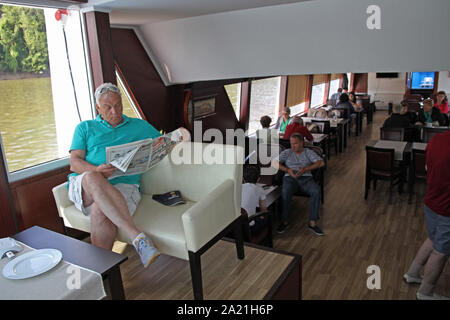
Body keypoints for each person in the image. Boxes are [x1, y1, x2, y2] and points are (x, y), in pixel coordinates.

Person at [67, 82, 188, 268]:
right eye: (108, 107)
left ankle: (101, 272)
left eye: (118, 105)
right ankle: (137, 237)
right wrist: (96, 170)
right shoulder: (84, 128)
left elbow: (166, 142)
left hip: (123, 186)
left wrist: (182, 134)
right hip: (84, 186)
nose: (115, 111)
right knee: (93, 177)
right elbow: (74, 163)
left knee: (101, 211)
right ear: (98, 107)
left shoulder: (139, 126)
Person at [403, 130, 450, 300]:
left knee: (432, 238)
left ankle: (413, 273)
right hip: (447, 208)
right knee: (440, 252)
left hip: (431, 200)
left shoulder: (437, 139)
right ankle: (426, 292)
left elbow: (426, 167)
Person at [271, 133, 325, 236]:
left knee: (316, 191)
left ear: (302, 143)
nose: (293, 146)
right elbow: (274, 163)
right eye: (291, 144)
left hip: (306, 177)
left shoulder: (308, 152)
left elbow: (321, 163)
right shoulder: (287, 152)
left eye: (295, 143)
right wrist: (287, 170)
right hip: (289, 177)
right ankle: (285, 221)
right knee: (285, 192)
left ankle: (312, 223)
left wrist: (306, 169)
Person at [241, 166, 269, 235]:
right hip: (249, 227)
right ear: (258, 179)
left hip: (235, 226)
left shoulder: (238, 187)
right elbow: (264, 210)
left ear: (243, 179)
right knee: (266, 216)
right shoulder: (259, 189)